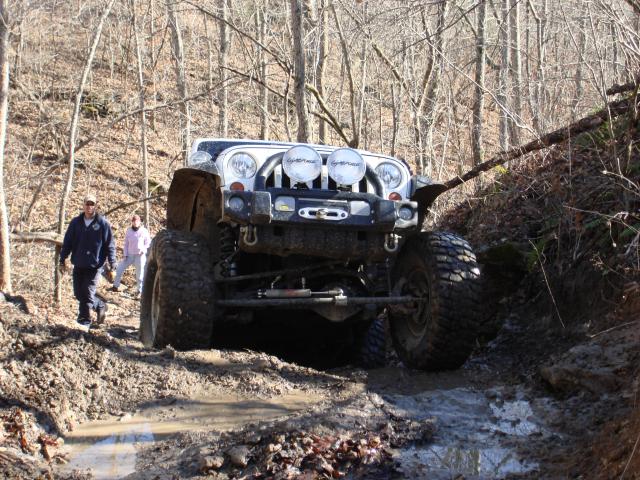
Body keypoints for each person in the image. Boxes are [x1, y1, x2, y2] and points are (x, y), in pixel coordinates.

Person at [59, 194, 116, 330]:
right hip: (79, 263)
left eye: (92, 204)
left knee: (87, 293)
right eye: (87, 203)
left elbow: (110, 244)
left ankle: (84, 322)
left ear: (95, 206)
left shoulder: (102, 223)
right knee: (78, 293)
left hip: (95, 266)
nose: (89, 206)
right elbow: (67, 242)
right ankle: (100, 305)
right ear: (83, 205)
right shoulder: (75, 223)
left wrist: (112, 263)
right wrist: (62, 259)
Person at [110, 214, 151, 295]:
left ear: (139, 222)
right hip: (129, 255)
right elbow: (126, 244)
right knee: (119, 269)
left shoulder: (144, 231)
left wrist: (143, 250)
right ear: (132, 222)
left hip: (140, 256)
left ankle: (139, 291)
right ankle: (115, 286)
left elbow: (148, 243)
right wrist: (125, 254)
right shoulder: (129, 231)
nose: (135, 222)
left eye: (137, 221)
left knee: (140, 275)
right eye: (134, 221)